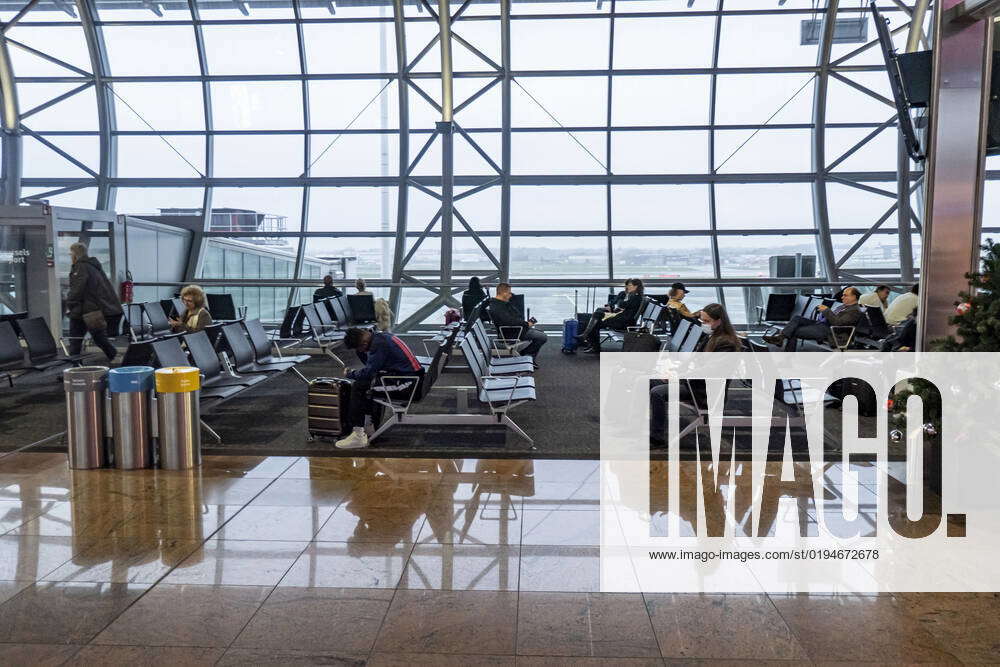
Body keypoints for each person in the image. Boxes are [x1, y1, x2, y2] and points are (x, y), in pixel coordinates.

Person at [650, 303, 739, 446]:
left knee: (657, 392)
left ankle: (656, 438)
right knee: (649, 381)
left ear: (719, 321)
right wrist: (676, 372)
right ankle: (639, 423)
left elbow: (709, 371)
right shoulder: (712, 336)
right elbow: (695, 359)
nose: (703, 324)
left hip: (703, 391)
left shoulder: (726, 343)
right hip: (693, 383)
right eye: (702, 320)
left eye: (707, 321)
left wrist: (678, 377)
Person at [335, 327, 423, 450]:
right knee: (369, 384)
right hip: (410, 377)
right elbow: (372, 367)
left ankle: (358, 435)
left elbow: (369, 372)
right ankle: (370, 428)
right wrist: (361, 353)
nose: (359, 351)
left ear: (364, 343)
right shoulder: (379, 336)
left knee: (359, 387)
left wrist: (350, 373)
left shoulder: (378, 345)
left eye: (358, 348)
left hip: (408, 384)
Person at [65, 242, 122, 362]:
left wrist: (69, 302)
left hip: (83, 310)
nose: (70, 255)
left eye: (71, 253)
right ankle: (115, 356)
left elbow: (77, 288)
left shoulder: (80, 267)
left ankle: (74, 369)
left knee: (75, 340)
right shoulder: (93, 266)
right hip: (93, 310)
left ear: (75, 254)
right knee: (98, 337)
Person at [763, 287, 863, 350]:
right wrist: (824, 312)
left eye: (845, 295)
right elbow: (834, 317)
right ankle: (781, 340)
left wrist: (826, 310)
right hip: (822, 325)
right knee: (797, 318)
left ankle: (783, 345)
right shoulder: (844, 306)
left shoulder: (854, 311)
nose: (842, 297)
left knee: (792, 331)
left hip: (830, 331)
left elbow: (838, 323)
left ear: (854, 297)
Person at [576, 278, 644, 354]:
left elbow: (622, 304)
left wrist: (622, 301)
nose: (627, 287)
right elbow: (620, 304)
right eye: (627, 285)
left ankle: (591, 343)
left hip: (624, 322)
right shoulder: (632, 295)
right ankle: (591, 343)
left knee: (596, 321)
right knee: (596, 317)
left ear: (636, 286)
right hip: (620, 318)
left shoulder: (636, 297)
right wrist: (619, 303)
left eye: (630, 285)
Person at [488, 282, 546, 366]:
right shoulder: (498, 307)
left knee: (541, 333)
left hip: (515, 329)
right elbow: (509, 321)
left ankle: (527, 356)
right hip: (513, 332)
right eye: (509, 293)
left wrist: (526, 324)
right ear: (504, 293)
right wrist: (526, 324)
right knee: (542, 337)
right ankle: (526, 355)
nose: (510, 295)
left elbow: (512, 318)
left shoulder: (499, 304)